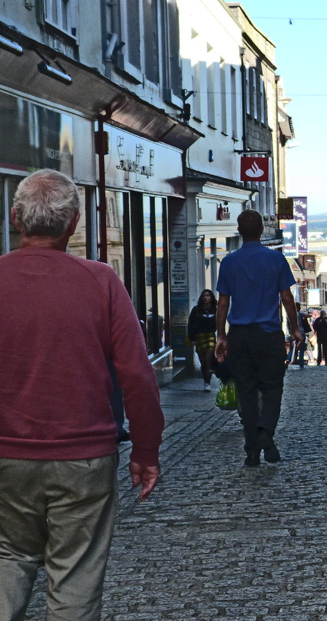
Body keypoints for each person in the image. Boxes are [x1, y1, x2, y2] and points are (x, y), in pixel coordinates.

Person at [0, 170, 164, 620]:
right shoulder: (101, 281)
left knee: (7, 560)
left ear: (16, 219)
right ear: (74, 225)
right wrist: (146, 450)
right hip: (83, 457)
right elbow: (137, 375)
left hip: (5, 455)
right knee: (75, 577)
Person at [215, 209, 301, 466]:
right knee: (273, 387)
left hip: (240, 336)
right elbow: (287, 298)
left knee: (247, 391)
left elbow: (222, 304)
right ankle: (265, 432)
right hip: (269, 335)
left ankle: (252, 450)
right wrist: (295, 329)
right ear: (262, 231)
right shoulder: (276, 260)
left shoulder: (229, 263)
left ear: (239, 231)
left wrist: (221, 336)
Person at [186, 289, 218, 391]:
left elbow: (219, 322)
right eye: (204, 296)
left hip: (210, 336)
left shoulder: (215, 309)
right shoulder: (196, 310)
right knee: (203, 362)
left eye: (208, 295)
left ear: (211, 297)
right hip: (199, 336)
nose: (206, 297)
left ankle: (208, 383)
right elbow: (190, 324)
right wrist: (192, 338)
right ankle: (205, 380)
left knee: (208, 360)